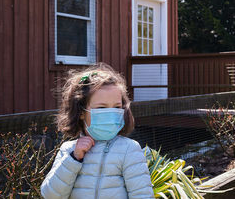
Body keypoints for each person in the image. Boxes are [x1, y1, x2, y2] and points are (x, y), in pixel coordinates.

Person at [41, 63, 154, 199]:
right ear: (81, 112)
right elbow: (50, 195)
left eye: (117, 107)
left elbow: (142, 195)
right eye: (101, 108)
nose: (111, 113)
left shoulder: (129, 149)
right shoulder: (69, 150)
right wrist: (74, 159)